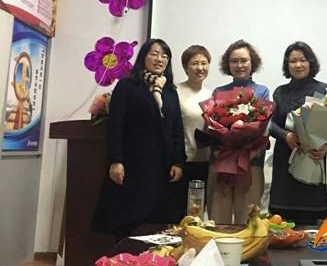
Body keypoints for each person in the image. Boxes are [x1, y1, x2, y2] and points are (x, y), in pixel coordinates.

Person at [92, 39, 186, 236]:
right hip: (133, 164)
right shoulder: (127, 86)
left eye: (165, 56)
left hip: (162, 167)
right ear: (143, 56)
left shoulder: (170, 91)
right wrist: (116, 160)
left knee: (158, 222)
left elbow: (177, 128)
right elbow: (115, 126)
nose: (159, 59)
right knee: (130, 219)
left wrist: (178, 161)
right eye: (154, 54)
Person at [269, 41, 327, 225]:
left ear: (310, 62)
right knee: (281, 224)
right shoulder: (280, 92)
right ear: (287, 65)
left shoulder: (323, 89)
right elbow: (271, 124)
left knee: (310, 225)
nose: (298, 65)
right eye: (293, 61)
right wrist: (286, 136)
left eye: (302, 60)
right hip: (285, 161)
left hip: (311, 158)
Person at [208, 39, 270, 224]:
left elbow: (262, 126)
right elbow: (212, 126)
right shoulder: (218, 92)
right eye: (234, 61)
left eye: (244, 60)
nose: (239, 65)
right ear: (228, 64)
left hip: (251, 163)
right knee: (219, 221)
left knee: (248, 221)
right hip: (222, 161)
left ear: (252, 62)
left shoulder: (262, 91)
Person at [173, 45, 212, 219]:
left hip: (206, 162)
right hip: (181, 163)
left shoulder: (212, 95)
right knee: (177, 212)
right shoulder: (175, 91)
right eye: (195, 63)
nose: (200, 68)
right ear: (185, 67)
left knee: (198, 213)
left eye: (204, 63)